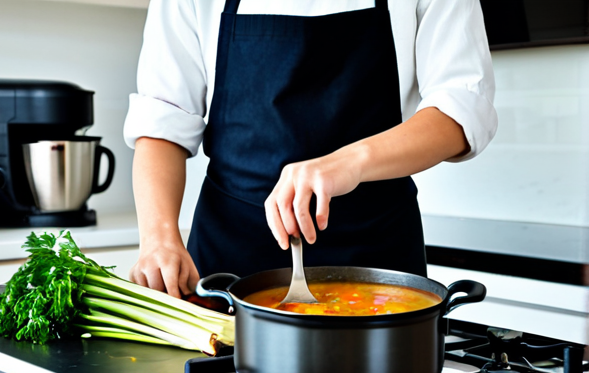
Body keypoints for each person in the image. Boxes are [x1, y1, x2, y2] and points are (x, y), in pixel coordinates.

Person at [123, 0, 497, 298]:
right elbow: (163, 119)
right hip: (229, 270)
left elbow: (462, 105)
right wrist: (158, 238)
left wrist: (349, 162)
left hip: (378, 265)